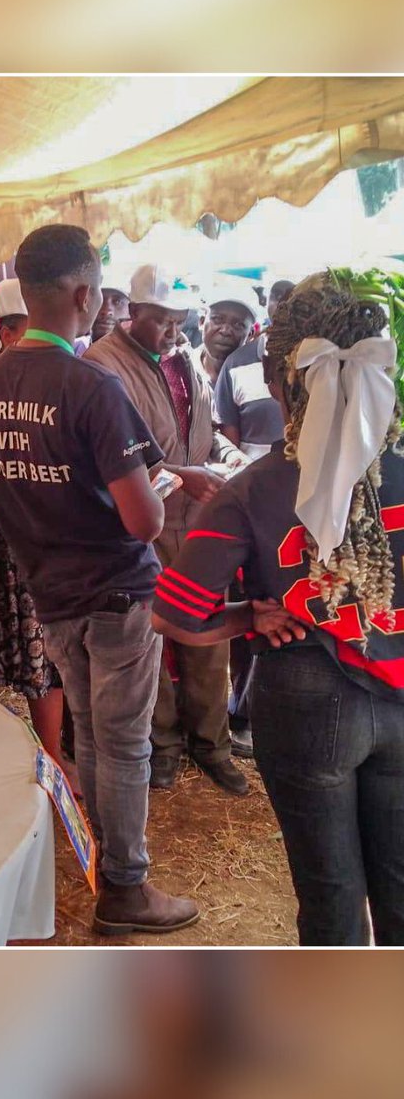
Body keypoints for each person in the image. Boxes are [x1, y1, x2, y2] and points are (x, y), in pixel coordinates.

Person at [152, 273, 404, 945]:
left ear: (276, 374)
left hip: (305, 699)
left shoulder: (250, 490)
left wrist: (245, 617)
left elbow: (174, 614)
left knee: (330, 900)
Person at [0, 224, 198, 935]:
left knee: (95, 737)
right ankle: (126, 890)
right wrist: (160, 488)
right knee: (122, 741)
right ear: (83, 293)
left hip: (51, 592)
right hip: (117, 592)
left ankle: (106, 864)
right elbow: (141, 520)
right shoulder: (92, 384)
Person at [86, 265, 249, 796]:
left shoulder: (184, 360)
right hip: (143, 527)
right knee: (152, 639)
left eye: (180, 321)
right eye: (161, 321)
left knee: (208, 632)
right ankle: (164, 748)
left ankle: (213, 745)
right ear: (132, 313)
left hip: (198, 523)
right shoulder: (101, 368)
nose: (175, 332)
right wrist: (185, 475)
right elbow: (112, 460)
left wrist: (231, 457)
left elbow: (200, 435)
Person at [0, 278, 69, 768]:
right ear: (11, 330)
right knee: (43, 655)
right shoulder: (5, 381)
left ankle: (58, 750)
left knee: (48, 654)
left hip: (24, 536)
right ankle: (52, 757)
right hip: (28, 541)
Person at [214, 279, 293, 460]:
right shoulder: (235, 364)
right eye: (278, 295)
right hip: (252, 484)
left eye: (291, 297)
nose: (284, 303)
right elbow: (229, 445)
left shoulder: (317, 362)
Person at [190, 284, 260, 392]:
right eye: (217, 319)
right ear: (202, 322)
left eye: (238, 324)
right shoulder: (182, 369)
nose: (226, 331)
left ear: (250, 335)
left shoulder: (257, 382)